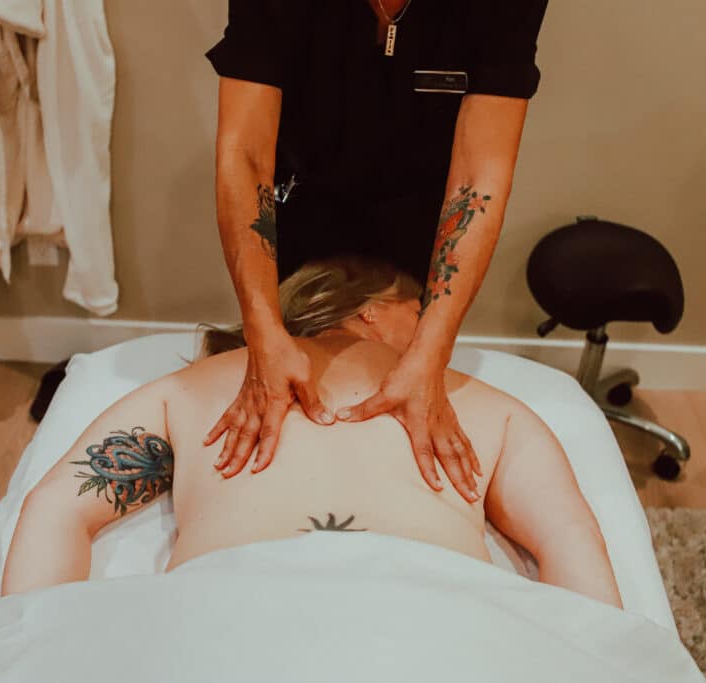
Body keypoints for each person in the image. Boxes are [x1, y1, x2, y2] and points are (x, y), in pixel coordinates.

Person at [2, 257, 622, 610]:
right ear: (372, 308)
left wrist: (31, 649)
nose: (439, 333)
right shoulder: (485, 407)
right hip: (433, 617)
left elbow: (57, 505)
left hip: (224, 617)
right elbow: (568, 538)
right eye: (421, 312)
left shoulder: (196, 388)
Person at [203, 0, 550, 500]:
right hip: (301, 205)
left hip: (420, 225)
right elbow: (246, 153)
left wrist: (432, 351)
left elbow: (479, 177)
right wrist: (261, 328)